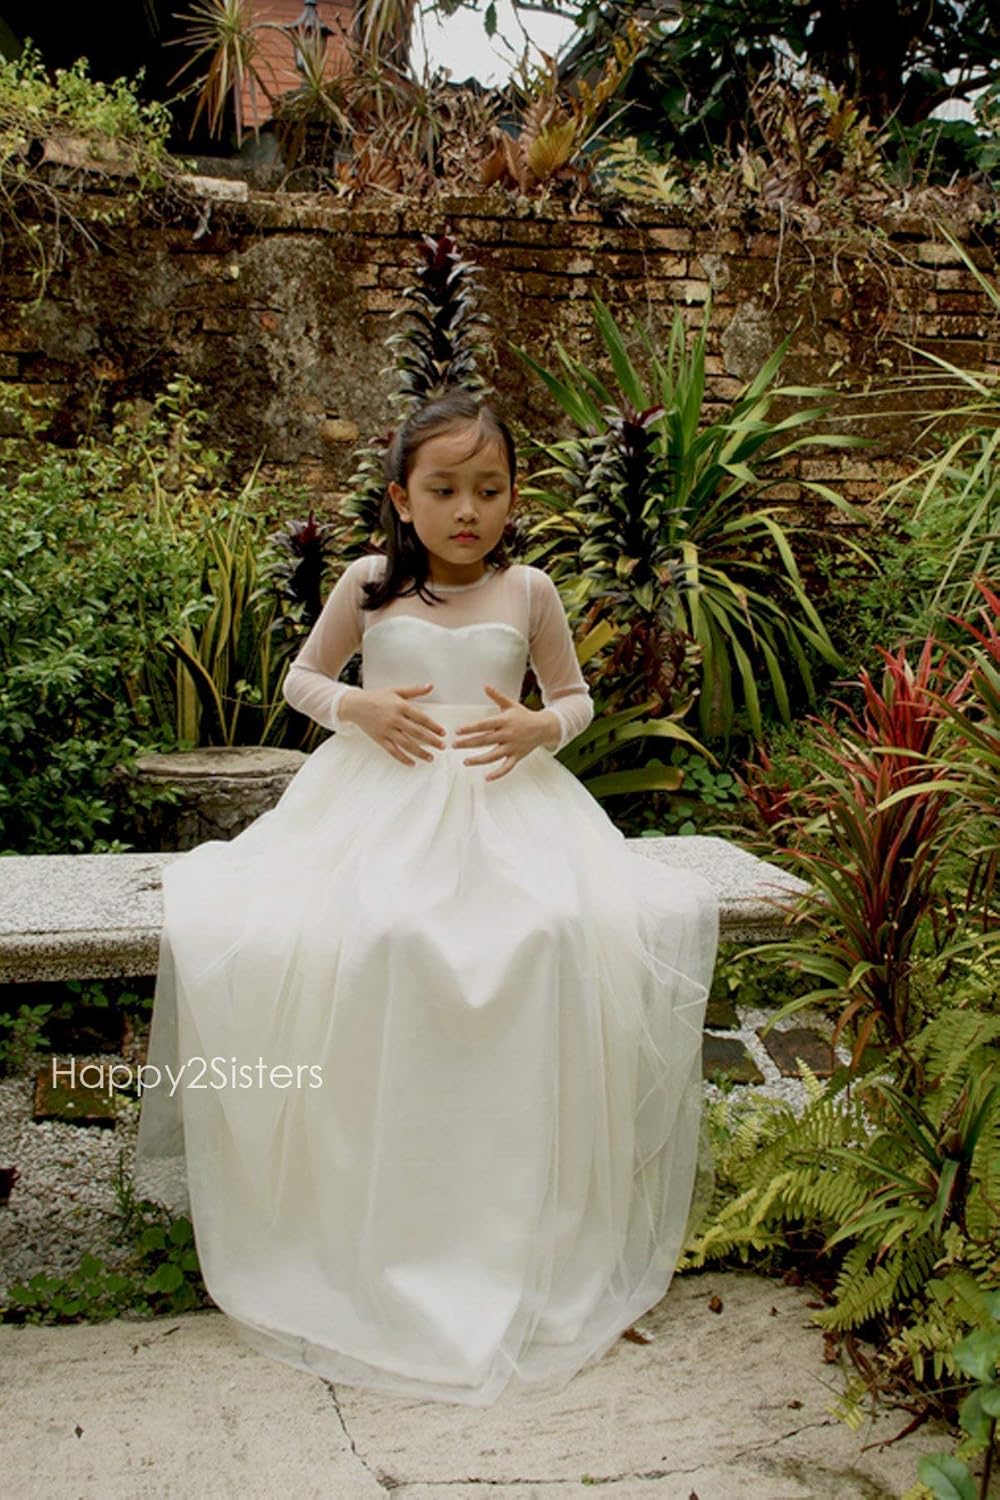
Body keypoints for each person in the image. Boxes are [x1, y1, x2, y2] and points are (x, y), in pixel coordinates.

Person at [134, 389, 720, 1407]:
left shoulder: (528, 588)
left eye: (487, 491)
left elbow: (571, 695)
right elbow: (300, 682)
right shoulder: (367, 584)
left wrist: (543, 729)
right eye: (444, 490)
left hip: (505, 809)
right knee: (378, 934)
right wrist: (355, 704)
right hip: (378, 806)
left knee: (547, 933)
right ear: (402, 499)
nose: (466, 511)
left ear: (510, 499)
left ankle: (513, 1208)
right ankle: (376, 1196)